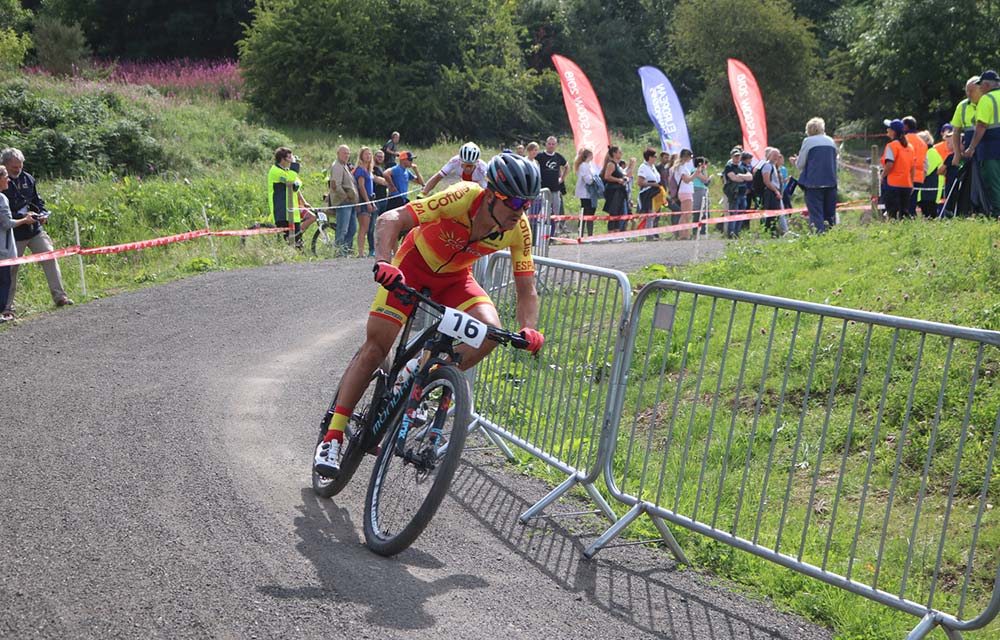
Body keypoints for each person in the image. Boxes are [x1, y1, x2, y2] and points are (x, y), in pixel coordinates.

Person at [313, 153, 545, 476]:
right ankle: (334, 435)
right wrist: (384, 262)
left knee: (491, 331)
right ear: (491, 194)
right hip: (412, 266)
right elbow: (390, 219)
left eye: (527, 205)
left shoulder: (518, 229)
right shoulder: (462, 197)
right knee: (376, 349)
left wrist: (529, 329)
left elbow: (526, 289)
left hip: (455, 279)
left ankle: (423, 372)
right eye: (516, 202)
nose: (521, 212)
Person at [1, 148, 73, 316]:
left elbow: (36, 200)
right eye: (13, 167)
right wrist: (23, 217)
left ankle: (60, 296)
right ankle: (6, 308)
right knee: (10, 270)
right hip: (13, 235)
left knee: (49, 255)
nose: (17, 170)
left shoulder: (28, 179)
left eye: (20, 166)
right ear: (4, 165)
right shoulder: (2, 182)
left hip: (34, 230)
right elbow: (4, 214)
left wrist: (42, 213)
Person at [964, 70, 1000, 216]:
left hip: (991, 147)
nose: (980, 89)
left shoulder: (987, 99)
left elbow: (982, 125)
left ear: (986, 85)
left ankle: (997, 212)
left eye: (980, 86)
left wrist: (971, 147)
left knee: (993, 181)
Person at [795, 117, 839, 233]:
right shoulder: (831, 141)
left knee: (816, 213)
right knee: (830, 213)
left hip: (813, 183)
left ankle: (819, 236)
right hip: (831, 181)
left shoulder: (808, 141)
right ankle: (831, 235)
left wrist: (795, 161)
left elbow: (800, 164)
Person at [268, 147, 315, 247]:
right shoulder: (275, 171)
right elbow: (290, 181)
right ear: (282, 159)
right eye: (290, 157)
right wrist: (294, 165)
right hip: (282, 211)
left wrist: (304, 201)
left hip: (293, 210)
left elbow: (296, 187)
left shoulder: (288, 170)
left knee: (298, 243)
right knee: (288, 242)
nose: (292, 158)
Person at [0, 165, 30, 323]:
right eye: (5, 177)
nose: (8, 180)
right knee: (4, 281)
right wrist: (25, 220)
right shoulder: (2, 199)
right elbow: (7, 223)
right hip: (2, 250)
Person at [421, 142, 488, 195]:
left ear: (477, 163)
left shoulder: (482, 167)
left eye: (471, 166)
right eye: (465, 165)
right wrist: (424, 193)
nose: (468, 169)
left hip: (482, 190)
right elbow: (438, 176)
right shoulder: (455, 161)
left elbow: (493, 184)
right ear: (460, 161)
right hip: (465, 189)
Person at [881, 118, 915, 220]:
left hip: (893, 184)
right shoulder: (910, 147)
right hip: (906, 184)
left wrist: (882, 176)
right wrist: (911, 183)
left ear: (893, 132)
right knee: (904, 214)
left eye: (889, 128)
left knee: (892, 214)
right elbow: (912, 167)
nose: (887, 130)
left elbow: (889, 164)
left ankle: (893, 233)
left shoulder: (891, 146)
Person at [328, 145, 359, 252]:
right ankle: (339, 251)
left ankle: (346, 250)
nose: (346, 155)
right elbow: (335, 185)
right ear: (338, 153)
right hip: (343, 202)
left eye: (348, 153)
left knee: (352, 229)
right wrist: (345, 197)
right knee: (342, 229)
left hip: (350, 203)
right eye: (344, 153)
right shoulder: (337, 166)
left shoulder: (344, 165)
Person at [952, 76, 982, 166]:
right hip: (969, 149)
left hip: (988, 146)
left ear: (981, 90)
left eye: (971, 91)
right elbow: (956, 132)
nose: (968, 94)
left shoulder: (989, 103)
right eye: (967, 91)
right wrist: (957, 154)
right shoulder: (962, 106)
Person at [353, 146, 377, 258]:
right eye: (366, 154)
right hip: (364, 199)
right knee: (364, 227)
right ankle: (361, 252)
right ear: (361, 156)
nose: (368, 156)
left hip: (370, 198)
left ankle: (363, 251)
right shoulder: (361, 170)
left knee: (368, 227)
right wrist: (367, 202)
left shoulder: (369, 170)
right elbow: (361, 186)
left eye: (369, 154)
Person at [903, 116, 929, 216]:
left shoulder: (904, 140)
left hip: (906, 177)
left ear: (905, 126)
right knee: (912, 205)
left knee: (904, 205)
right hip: (918, 178)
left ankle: (905, 225)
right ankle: (912, 223)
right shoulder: (922, 142)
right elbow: (925, 162)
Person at [601, 146, 630, 236]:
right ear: (614, 153)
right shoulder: (611, 164)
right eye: (619, 152)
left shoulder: (617, 164)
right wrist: (618, 180)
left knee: (619, 213)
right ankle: (611, 234)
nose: (621, 154)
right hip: (613, 191)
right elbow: (607, 176)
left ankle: (617, 234)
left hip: (620, 191)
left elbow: (627, 174)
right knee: (613, 213)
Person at [722, 148, 751, 237]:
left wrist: (741, 176)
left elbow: (750, 177)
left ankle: (737, 232)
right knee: (733, 214)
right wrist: (743, 178)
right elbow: (733, 178)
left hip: (743, 194)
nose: (737, 157)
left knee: (741, 214)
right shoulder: (729, 167)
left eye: (738, 156)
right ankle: (731, 233)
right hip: (734, 194)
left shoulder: (743, 167)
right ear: (732, 157)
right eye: (735, 156)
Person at [537, 136, 568, 217]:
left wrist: (562, 178)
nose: (551, 146)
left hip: (555, 188)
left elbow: (567, 167)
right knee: (544, 210)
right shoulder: (540, 156)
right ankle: (545, 227)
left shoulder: (558, 156)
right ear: (546, 144)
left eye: (553, 144)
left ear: (556, 145)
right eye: (549, 144)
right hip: (543, 188)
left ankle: (556, 228)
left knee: (556, 210)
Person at [367, 150, 389, 257]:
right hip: (375, 201)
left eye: (382, 156)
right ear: (374, 157)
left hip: (384, 200)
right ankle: (371, 249)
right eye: (378, 156)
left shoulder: (382, 169)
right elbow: (377, 180)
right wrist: (386, 181)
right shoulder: (371, 168)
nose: (380, 158)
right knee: (372, 226)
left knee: (383, 226)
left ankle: (382, 248)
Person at [758, 148, 785, 237]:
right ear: (769, 156)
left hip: (774, 191)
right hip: (770, 192)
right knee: (771, 213)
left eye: (777, 156)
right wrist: (776, 191)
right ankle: (768, 232)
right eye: (774, 156)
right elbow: (767, 181)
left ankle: (772, 231)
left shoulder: (774, 166)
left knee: (775, 213)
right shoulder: (767, 166)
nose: (776, 158)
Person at [636, 148, 661, 239]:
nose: (656, 158)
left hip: (655, 193)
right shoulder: (643, 167)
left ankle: (651, 233)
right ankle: (648, 234)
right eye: (655, 156)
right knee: (650, 213)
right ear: (649, 157)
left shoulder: (653, 167)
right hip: (647, 193)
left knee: (654, 213)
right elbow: (640, 182)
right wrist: (652, 184)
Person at [573, 147, 598, 237]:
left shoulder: (589, 165)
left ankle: (589, 234)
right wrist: (595, 180)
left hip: (589, 194)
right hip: (585, 193)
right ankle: (582, 234)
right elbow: (588, 180)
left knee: (590, 213)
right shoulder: (584, 165)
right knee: (586, 213)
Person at [671, 149, 696, 240]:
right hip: (685, 191)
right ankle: (683, 234)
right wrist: (695, 174)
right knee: (686, 214)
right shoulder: (682, 167)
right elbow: (686, 180)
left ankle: (684, 233)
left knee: (686, 214)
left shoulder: (682, 166)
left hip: (686, 191)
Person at [918, 130, 943, 218]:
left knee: (930, 217)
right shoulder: (925, 151)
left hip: (930, 192)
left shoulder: (931, 152)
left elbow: (926, 170)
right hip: (925, 192)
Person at [691, 157, 712, 235]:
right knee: (698, 210)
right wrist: (705, 172)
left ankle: (703, 229)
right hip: (697, 190)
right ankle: (696, 229)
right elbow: (705, 179)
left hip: (702, 189)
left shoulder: (701, 171)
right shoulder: (695, 171)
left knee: (705, 210)